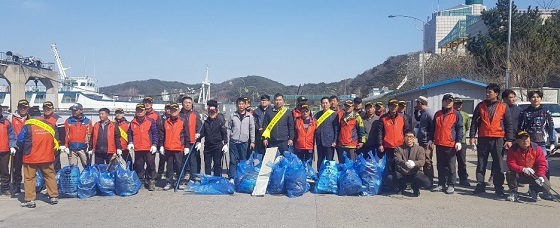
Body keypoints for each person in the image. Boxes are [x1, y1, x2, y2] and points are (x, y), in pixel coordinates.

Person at [470, 83, 514, 196]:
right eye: (487, 92)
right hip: (483, 138)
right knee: (481, 163)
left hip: (498, 138)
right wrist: (472, 137)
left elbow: (509, 124)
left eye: (490, 92)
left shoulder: (504, 106)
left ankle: (498, 188)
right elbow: (474, 122)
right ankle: (480, 185)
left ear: (496, 94)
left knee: (498, 164)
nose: (487, 94)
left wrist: (509, 139)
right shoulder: (480, 105)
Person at [17, 116, 59, 208]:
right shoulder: (49, 125)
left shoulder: (28, 126)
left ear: (30, 115)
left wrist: (21, 148)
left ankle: (30, 200)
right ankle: (53, 196)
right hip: (47, 156)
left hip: (31, 157)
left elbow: (20, 140)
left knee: (29, 178)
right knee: (50, 176)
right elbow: (55, 140)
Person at [431, 94, 463, 194]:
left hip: (450, 144)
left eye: (450, 101)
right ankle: (441, 184)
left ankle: (451, 184)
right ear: (443, 102)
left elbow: (459, 128)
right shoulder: (437, 114)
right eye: (446, 101)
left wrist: (458, 141)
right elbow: (433, 128)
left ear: (452, 103)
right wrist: (431, 140)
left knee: (450, 165)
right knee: (440, 165)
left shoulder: (456, 114)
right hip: (439, 143)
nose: (448, 103)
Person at [506, 130, 550, 202]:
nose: (525, 141)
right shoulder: (513, 149)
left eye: (526, 138)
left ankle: (533, 190)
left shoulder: (537, 148)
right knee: (509, 173)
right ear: (517, 140)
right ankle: (513, 192)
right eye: (522, 139)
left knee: (546, 186)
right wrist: (523, 169)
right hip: (520, 174)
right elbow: (510, 163)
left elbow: (542, 164)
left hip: (534, 175)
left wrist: (541, 176)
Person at [376, 99, 410, 190]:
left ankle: (402, 185)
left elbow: (407, 130)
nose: (393, 107)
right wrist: (380, 144)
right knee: (390, 167)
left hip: (400, 147)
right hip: (388, 146)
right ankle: (392, 185)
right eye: (391, 105)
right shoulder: (383, 118)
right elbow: (380, 133)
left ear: (397, 107)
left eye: (395, 106)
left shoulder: (403, 118)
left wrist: (407, 143)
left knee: (400, 166)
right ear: (388, 106)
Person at [388, 131, 430, 197]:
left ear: (414, 138)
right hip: (402, 172)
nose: (409, 139)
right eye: (407, 136)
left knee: (426, 182)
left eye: (411, 137)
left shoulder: (420, 149)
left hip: (414, 172)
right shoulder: (398, 148)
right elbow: (397, 159)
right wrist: (405, 163)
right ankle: (401, 187)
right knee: (389, 178)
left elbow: (422, 161)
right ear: (404, 138)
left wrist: (414, 163)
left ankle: (415, 187)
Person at [128, 103, 159, 191]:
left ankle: (151, 181)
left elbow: (155, 133)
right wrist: (130, 142)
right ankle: (140, 181)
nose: (140, 112)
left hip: (149, 148)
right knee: (139, 166)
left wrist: (154, 144)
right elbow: (129, 133)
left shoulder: (150, 121)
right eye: (138, 111)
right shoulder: (133, 122)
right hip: (138, 148)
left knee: (151, 165)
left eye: (141, 110)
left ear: (145, 111)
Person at [160, 103, 190, 190]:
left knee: (179, 165)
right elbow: (162, 134)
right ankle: (169, 182)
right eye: (172, 110)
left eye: (175, 110)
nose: (173, 112)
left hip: (178, 147)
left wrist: (187, 146)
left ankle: (179, 181)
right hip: (168, 147)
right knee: (169, 166)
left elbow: (186, 134)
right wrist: (161, 145)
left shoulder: (183, 121)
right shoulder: (165, 121)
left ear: (178, 111)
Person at [195, 100, 227, 176]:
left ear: (216, 113)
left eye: (213, 112)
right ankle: (208, 179)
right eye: (210, 112)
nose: (212, 114)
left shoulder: (220, 121)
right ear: (208, 113)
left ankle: (216, 179)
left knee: (217, 165)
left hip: (217, 146)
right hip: (208, 147)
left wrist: (225, 143)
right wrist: (198, 140)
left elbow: (224, 133)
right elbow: (202, 133)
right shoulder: (205, 122)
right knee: (207, 165)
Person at [6, 100, 31, 195]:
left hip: (28, 146)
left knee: (30, 167)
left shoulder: (30, 117)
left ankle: (30, 186)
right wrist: (11, 145)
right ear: (18, 107)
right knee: (16, 168)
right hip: (16, 146)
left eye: (25, 107)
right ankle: (16, 186)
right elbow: (7, 131)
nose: (23, 109)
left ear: (28, 107)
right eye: (21, 107)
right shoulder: (11, 117)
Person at [228, 97, 255, 179]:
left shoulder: (249, 116)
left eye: (242, 104)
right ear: (236, 105)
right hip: (233, 142)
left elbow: (252, 129)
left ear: (245, 105)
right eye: (239, 104)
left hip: (244, 142)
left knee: (243, 161)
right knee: (233, 161)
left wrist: (252, 141)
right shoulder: (232, 115)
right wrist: (227, 140)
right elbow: (228, 128)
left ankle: (241, 177)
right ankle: (232, 178)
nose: (241, 106)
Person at [61, 103, 92, 168]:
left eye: (75, 110)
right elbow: (66, 134)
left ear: (81, 111)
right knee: (73, 168)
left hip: (83, 148)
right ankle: (74, 178)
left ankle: (86, 178)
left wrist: (90, 148)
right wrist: (66, 146)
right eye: (72, 110)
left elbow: (90, 135)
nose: (73, 112)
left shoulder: (87, 121)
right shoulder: (68, 121)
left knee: (87, 167)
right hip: (72, 148)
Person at [413, 96, 435, 187]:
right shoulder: (422, 112)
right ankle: (424, 180)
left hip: (427, 141)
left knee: (427, 160)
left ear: (421, 103)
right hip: (422, 140)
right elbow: (418, 119)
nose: (416, 105)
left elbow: (434, 126)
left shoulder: (429, 112)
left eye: (417, 103)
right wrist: (416, 111)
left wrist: (431, 139)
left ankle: (429, 181)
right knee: (422, 159)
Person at [36, 101, 63, 172]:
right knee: (44, 165)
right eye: (45, 108)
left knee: (56, 165)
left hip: (55, 146)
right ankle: (44, 181)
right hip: (43, 146)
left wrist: (62, 144)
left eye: (49, 108)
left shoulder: (58, 118)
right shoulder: (40, 119)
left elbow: (62, 133)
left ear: (53, 109)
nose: (47, 110)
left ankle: (56, 181)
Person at [180, 96, 202, 179]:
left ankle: (193, 178)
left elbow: (199, 128)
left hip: (192, 141)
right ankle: (181, 177)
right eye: (186, 103)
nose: (187, 105)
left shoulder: (195, 114)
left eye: (189, 103)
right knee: (181, 161)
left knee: (192, 161)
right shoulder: (179, 114)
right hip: (181, 141)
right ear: (182, 104)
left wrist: (199, 140)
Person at [314, 97, 339, 169]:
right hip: (320, 141)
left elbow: (336, 128)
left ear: (329, 104)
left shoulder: (334, 114)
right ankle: (319, 175)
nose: (324, 105)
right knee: (320, 159)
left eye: (326, 103)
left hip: (329, 141)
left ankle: (329, 176)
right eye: (323, 103)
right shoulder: (317, 115)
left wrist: (335, 140)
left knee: (329, 160)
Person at [453, 98, 471, 186]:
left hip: (462, 142)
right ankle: (448, 179)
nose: (458, 106)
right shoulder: (450, 114)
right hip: (451, 142)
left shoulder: (465, 115)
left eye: (459, 104)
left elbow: (467, 127)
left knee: (462, 162)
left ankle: (463, 179)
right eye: (456, 104)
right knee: (449, 162)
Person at [0, 112, 17, 196]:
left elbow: (11, 135)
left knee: (4, 171)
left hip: (4, 150)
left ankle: (5, 188)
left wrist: (12, 146)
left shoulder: (6, 122)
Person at [157, 104, 171, 180]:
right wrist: (160, 143)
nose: (168, 110)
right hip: (162, 140)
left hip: (171, 141)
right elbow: (160, 131)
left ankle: (170, 173)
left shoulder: (174, 117)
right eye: (167, 108)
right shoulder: (162, 118)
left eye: (170, 108)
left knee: (170, 159)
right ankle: (160, 172)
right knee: (162, 158)